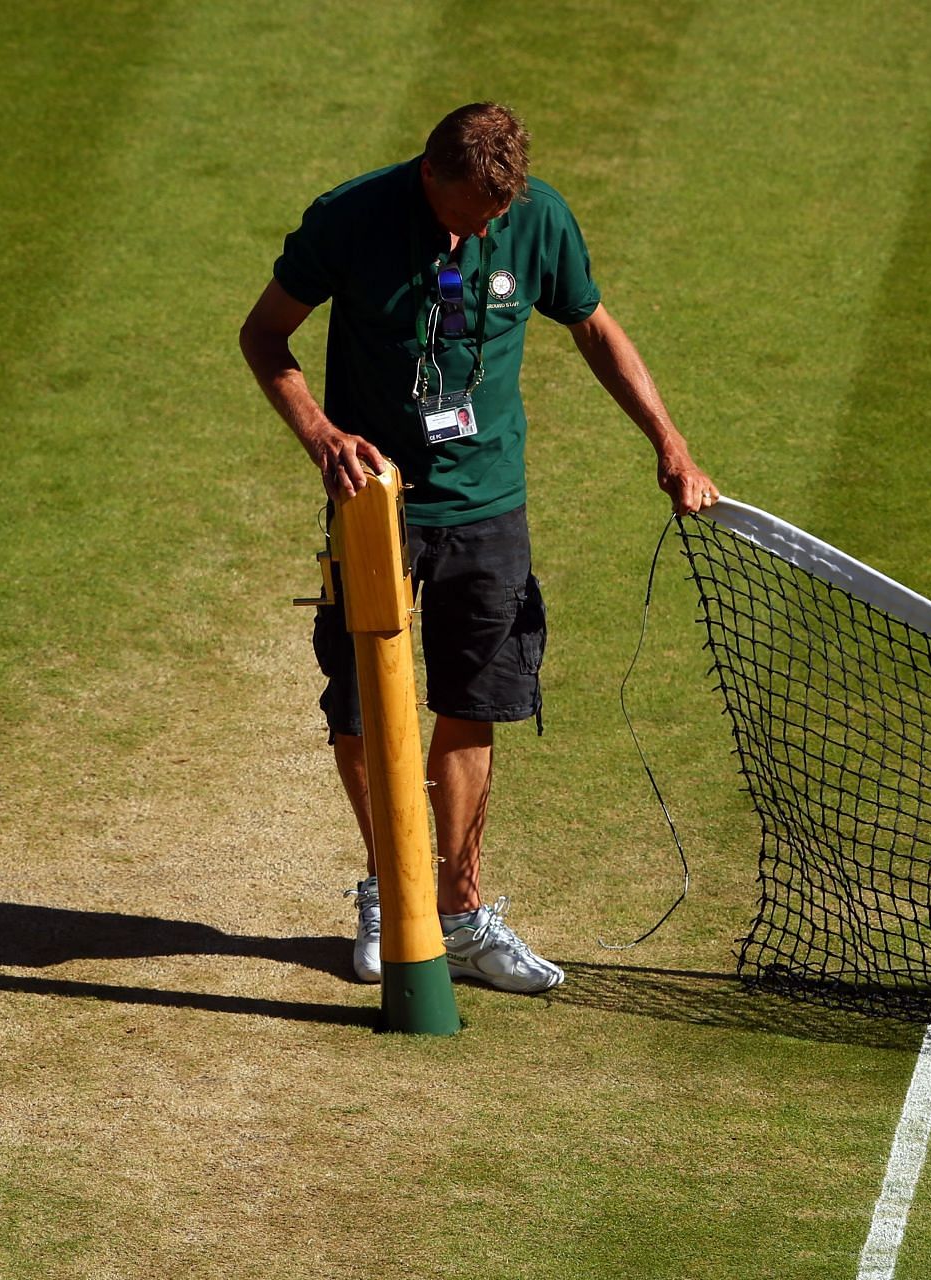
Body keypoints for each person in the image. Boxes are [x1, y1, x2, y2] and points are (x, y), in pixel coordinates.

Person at [239, 103, 718, 995]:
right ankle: (393, 889)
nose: (485, 231)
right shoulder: (351, 218)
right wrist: (322, 435)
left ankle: (457, 915)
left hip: (491, 502)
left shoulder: (536, 218)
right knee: (356, 704)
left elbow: (595, 328)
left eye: (498, 215)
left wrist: (670, 443)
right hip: (376, 504)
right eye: (469, 216)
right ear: (430, 176)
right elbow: (263, 334)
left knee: (474, 700)